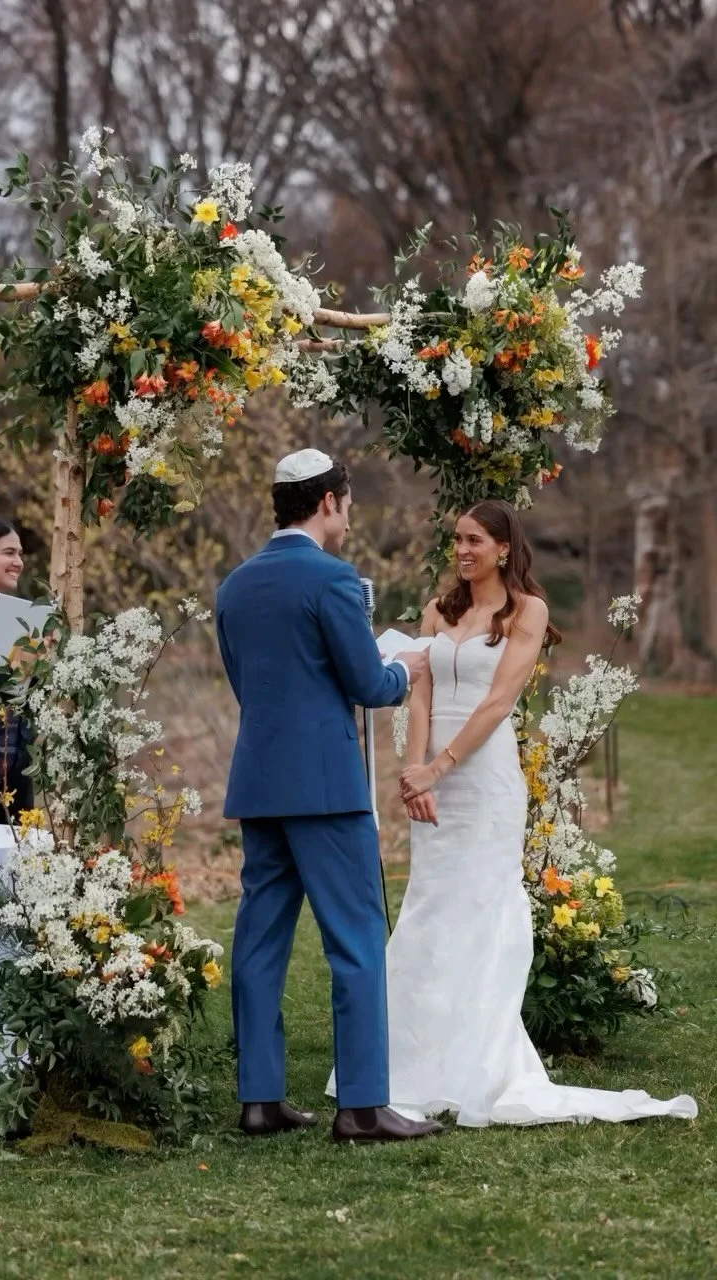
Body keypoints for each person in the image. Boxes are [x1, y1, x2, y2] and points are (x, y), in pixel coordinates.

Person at [381, 499, 697, 1127]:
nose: (462, 550)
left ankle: (477, 1065)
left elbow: (499, 702)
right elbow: (420, 695)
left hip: (483, 779)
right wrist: (415, 773)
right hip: (432, 780)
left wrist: (440, 767)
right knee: (429, 906)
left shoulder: (529, 611)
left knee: (482, 908)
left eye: (475, 540)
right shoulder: (437, 611)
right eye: (457, 540)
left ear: (504, 547)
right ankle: (410, 1063)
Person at [216, 449, 444, 1143]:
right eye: (347, 506)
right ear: (327, 503)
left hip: (260, 781)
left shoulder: (234, 585)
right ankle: (363, 1106)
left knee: (259, 940)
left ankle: (260, 1099)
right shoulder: (334, 579)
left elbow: (247, 684)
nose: (348, 519)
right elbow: (368, 685)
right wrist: (404, 669)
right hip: (326, 788)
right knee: (356, 940)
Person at [0, 521, 34, 826]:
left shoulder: (23, 619)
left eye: (20, 553)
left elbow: (18, 700)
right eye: (9, 553)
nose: (18, 562)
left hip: (13, 774)